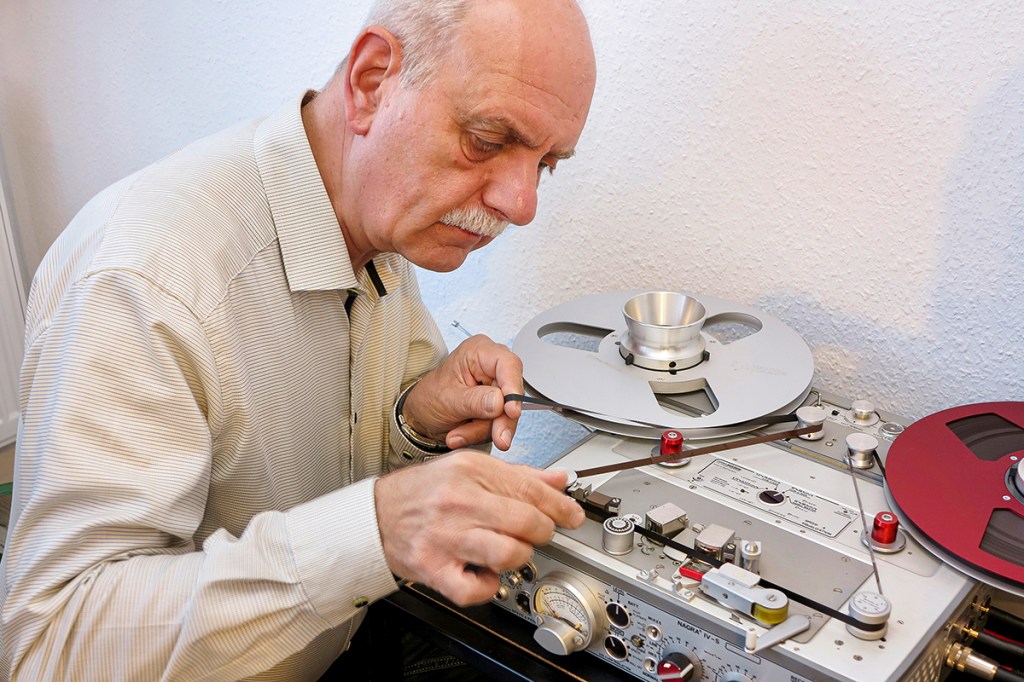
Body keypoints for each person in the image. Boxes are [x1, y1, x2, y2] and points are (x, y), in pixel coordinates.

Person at [0, 0, 597, 679]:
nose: (522, 204)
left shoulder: (387, 215)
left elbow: (326, 462)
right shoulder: (147, 276)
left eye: (546, 163)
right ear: (373, 82)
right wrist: (376, 531)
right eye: (488, 140)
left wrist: (413, 422)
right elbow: (52, 646)